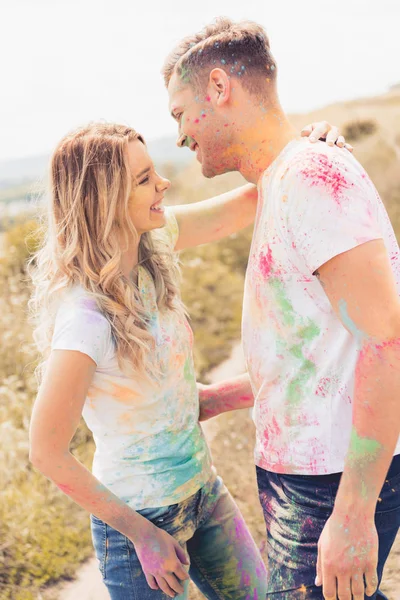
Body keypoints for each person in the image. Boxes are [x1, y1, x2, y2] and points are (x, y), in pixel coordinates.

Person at [28, 121, 342, 600]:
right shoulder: (84, 318)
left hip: (205, 493)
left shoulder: (153, 245)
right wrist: (143, 536)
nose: (163, 184)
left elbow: (254, 201)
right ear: (103, 202)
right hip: (140, 525)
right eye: (143, 180)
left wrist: (309, 149)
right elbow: (47, 452)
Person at [164, 17, 400, 600]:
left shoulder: (311, 178)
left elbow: (387, 341)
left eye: (178, 113)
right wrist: (218, 399)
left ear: (219, 88)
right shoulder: (283, 178)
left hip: (327, 484)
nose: (177, 136)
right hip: (309, 478)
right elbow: (315, 354)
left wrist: (351, 513)